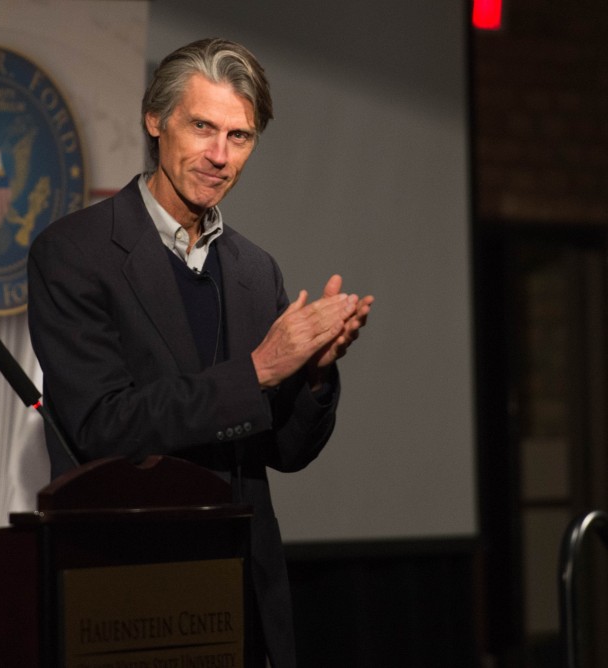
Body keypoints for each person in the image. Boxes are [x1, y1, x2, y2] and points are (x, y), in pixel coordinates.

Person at [27, 37, 373, 666]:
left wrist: (316, 375)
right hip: (125, 595)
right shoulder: (74, 254)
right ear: (155, 121)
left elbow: (285, 454)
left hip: (242, 597)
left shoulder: (253, 270)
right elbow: (103, 427)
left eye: (239, 137)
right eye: (202, 127)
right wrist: (261, 370)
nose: (219, 156)